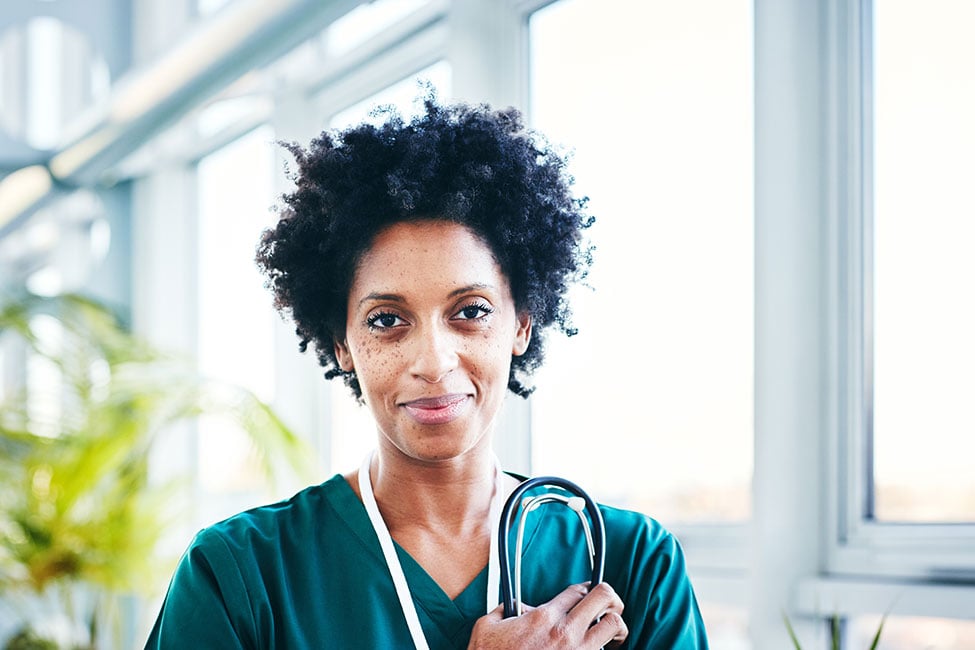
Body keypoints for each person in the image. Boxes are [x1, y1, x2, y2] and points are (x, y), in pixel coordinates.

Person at [145, 95, 709, 649]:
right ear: (343, 343)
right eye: (387, 320)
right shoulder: (239, 575)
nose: (434, 362)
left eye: (471, 311)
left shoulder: (634, 562)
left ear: (521, 325)